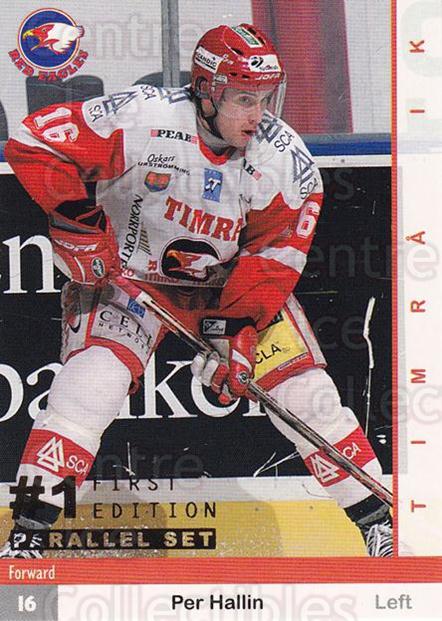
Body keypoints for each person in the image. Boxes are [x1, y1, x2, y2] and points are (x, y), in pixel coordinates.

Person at [1, 23, 392, 558]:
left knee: (308, 397)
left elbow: (273, 257)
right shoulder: (142, 117)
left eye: (266, 99)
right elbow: (33, 141)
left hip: (229, 287)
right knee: (85, 391)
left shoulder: (285, 161)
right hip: (130, 282)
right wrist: (77, 224)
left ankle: (379, 526)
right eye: (244, 99)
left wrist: (237, 332)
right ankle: (27, 537)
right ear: (206, 90)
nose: (258, 115)